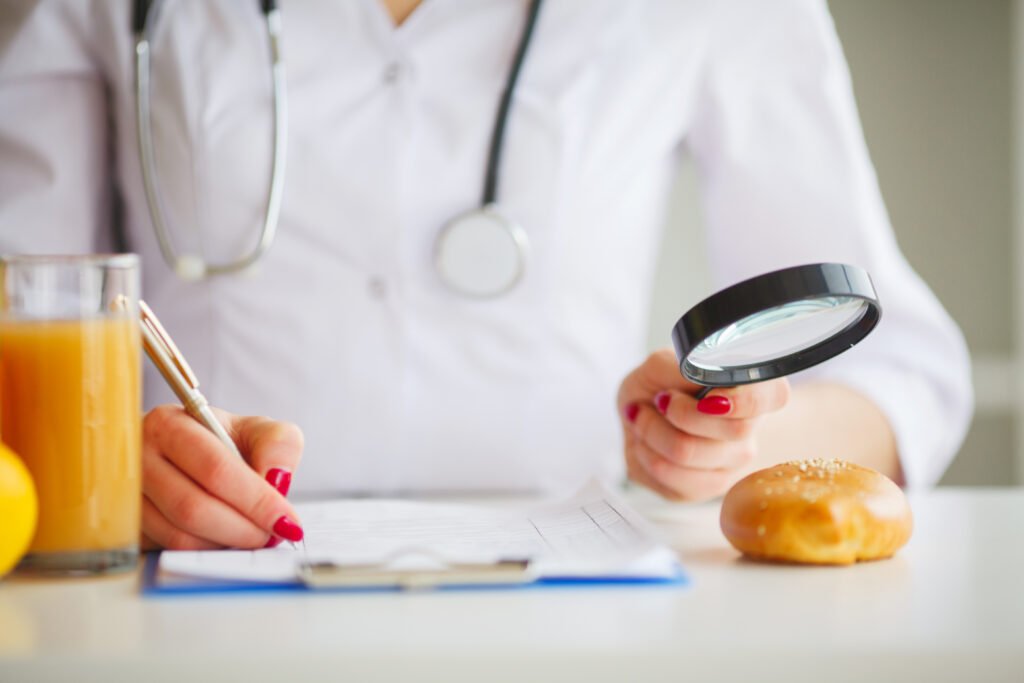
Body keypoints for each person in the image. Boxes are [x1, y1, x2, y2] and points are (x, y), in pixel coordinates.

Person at [0, 0, 972, 550]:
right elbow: (20, 310)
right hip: (194, 599)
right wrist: (107, 462)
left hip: (570, 611)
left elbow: (900, 372)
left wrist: (728, 437)